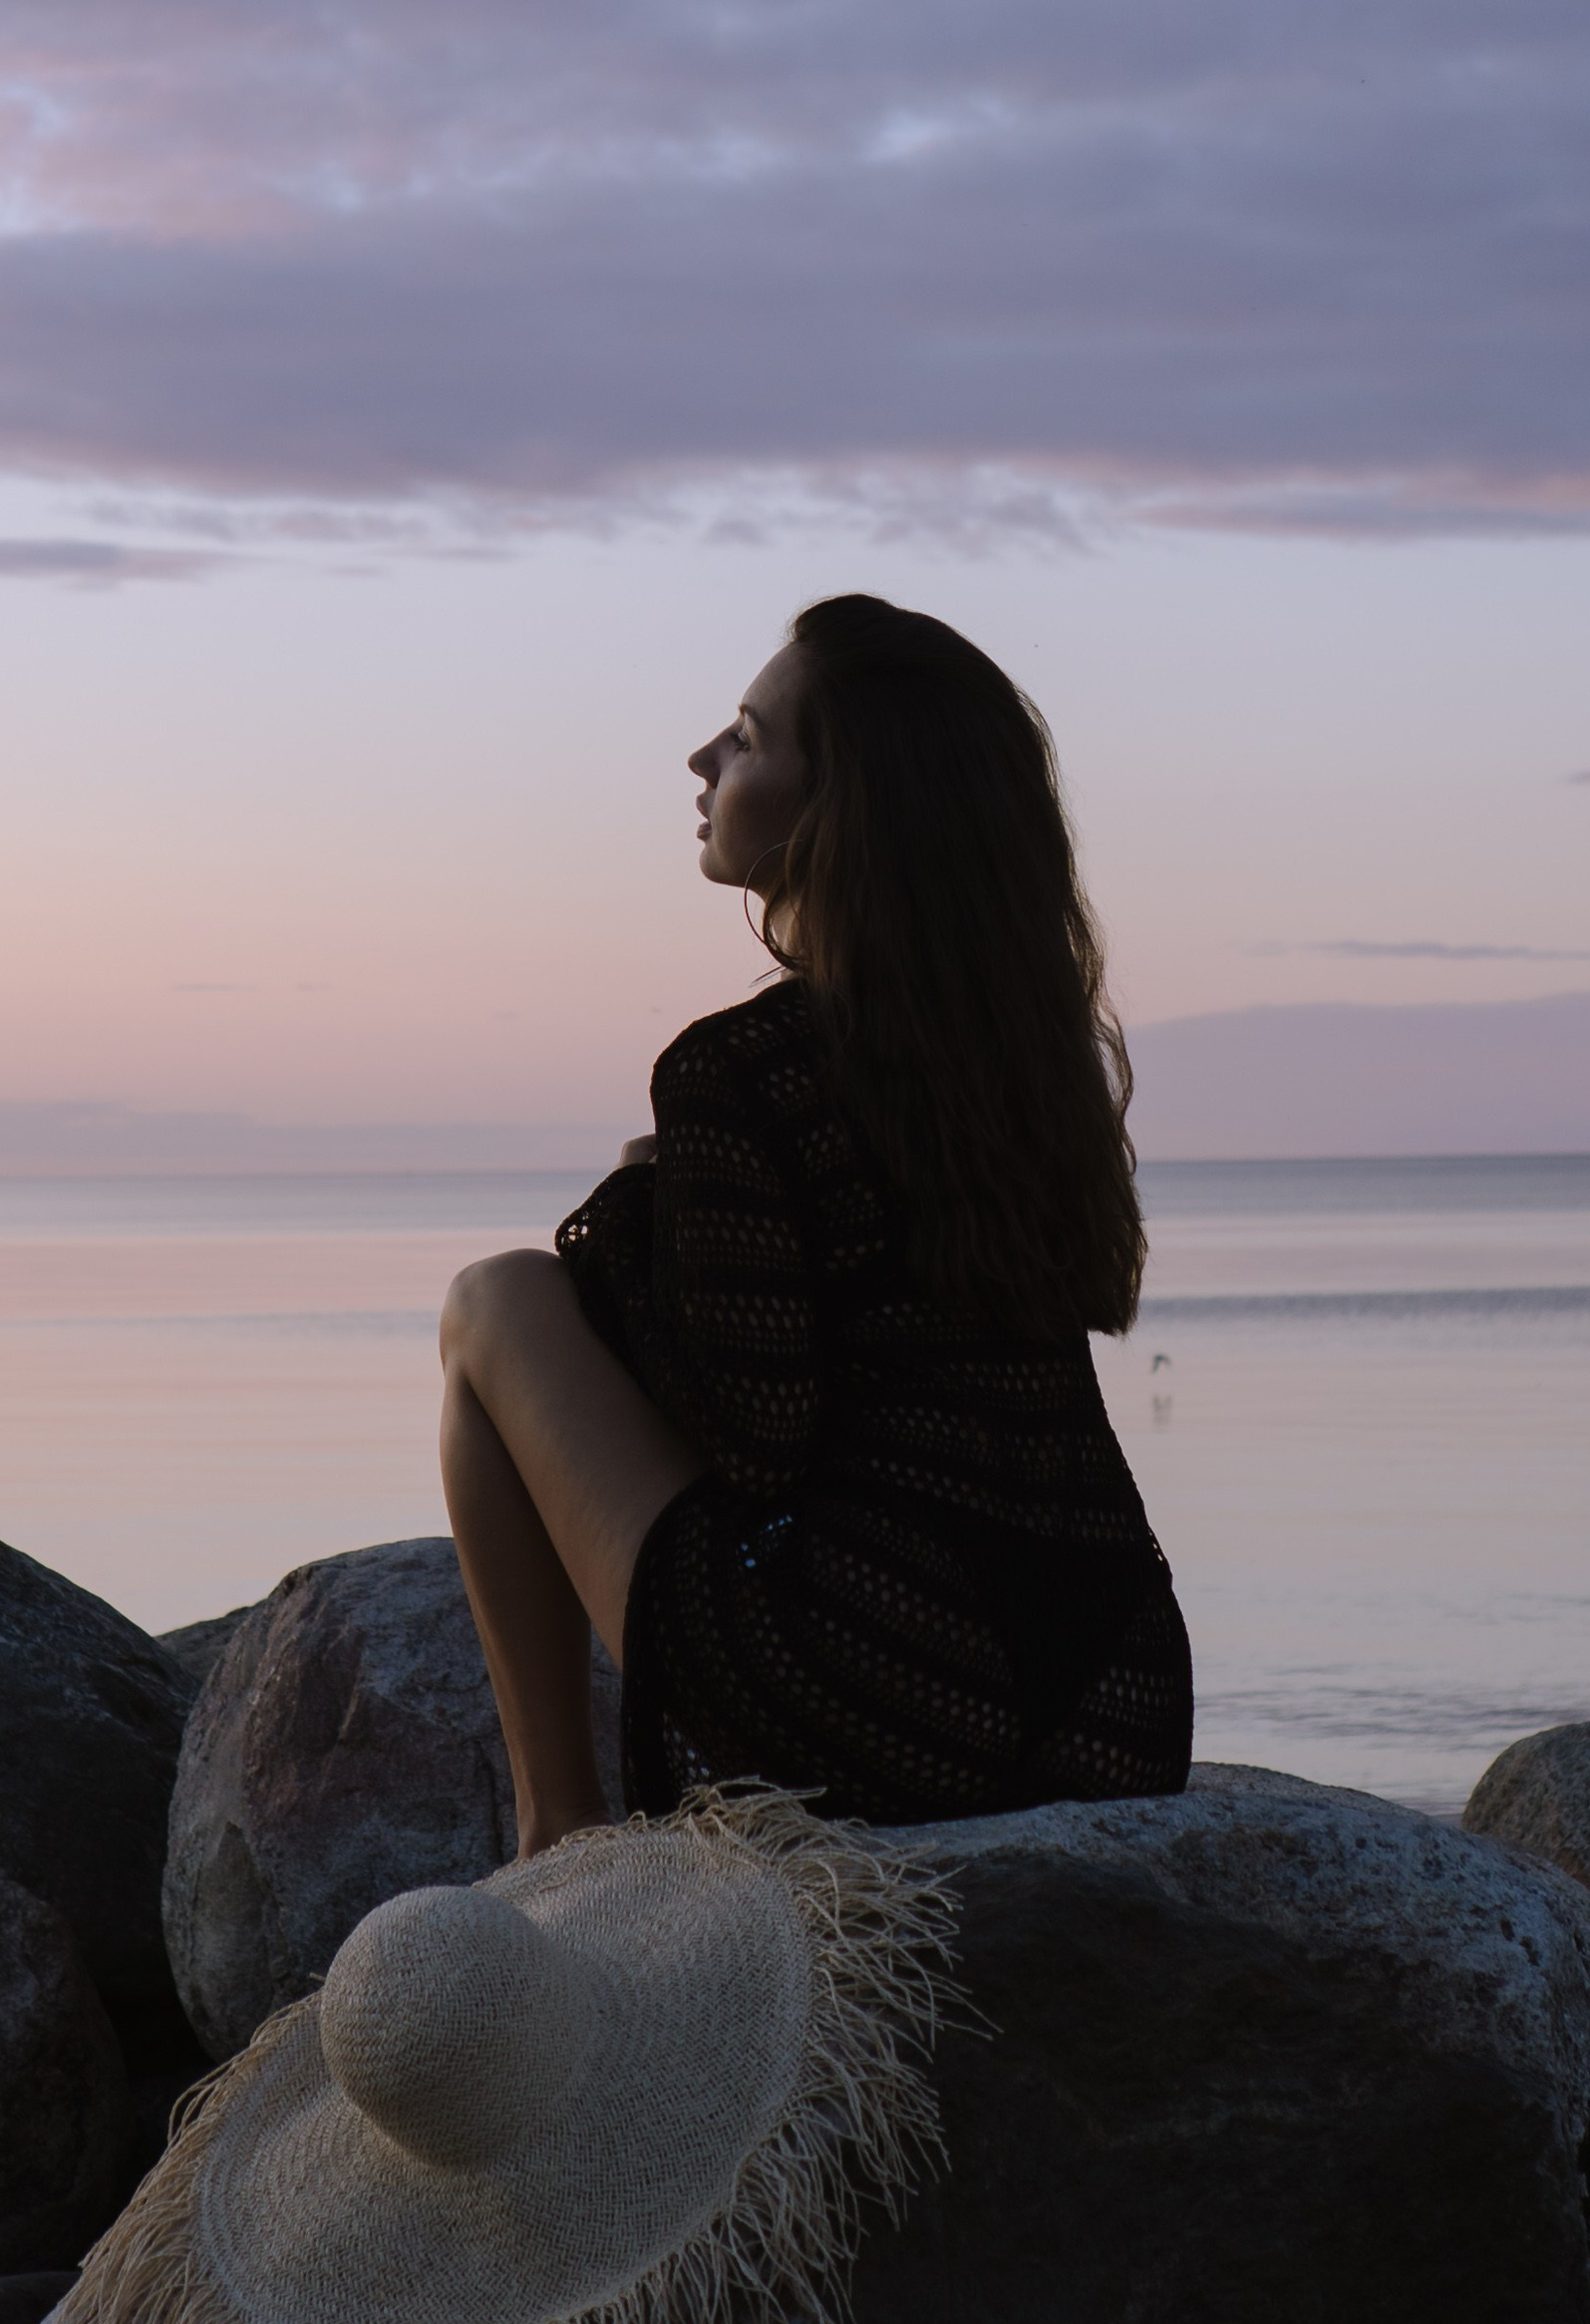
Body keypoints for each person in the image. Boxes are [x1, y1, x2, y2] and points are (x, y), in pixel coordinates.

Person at [438, 592, 1193, 1851]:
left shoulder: (743, 1070)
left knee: (496, 1299)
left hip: (871, 1691)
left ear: (839, 806)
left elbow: (754, 1436)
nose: (702, 760)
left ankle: (557, 1837)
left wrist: (643, 1215)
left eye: (743, 737)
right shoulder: (1029, 1073)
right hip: (1111, 1703)